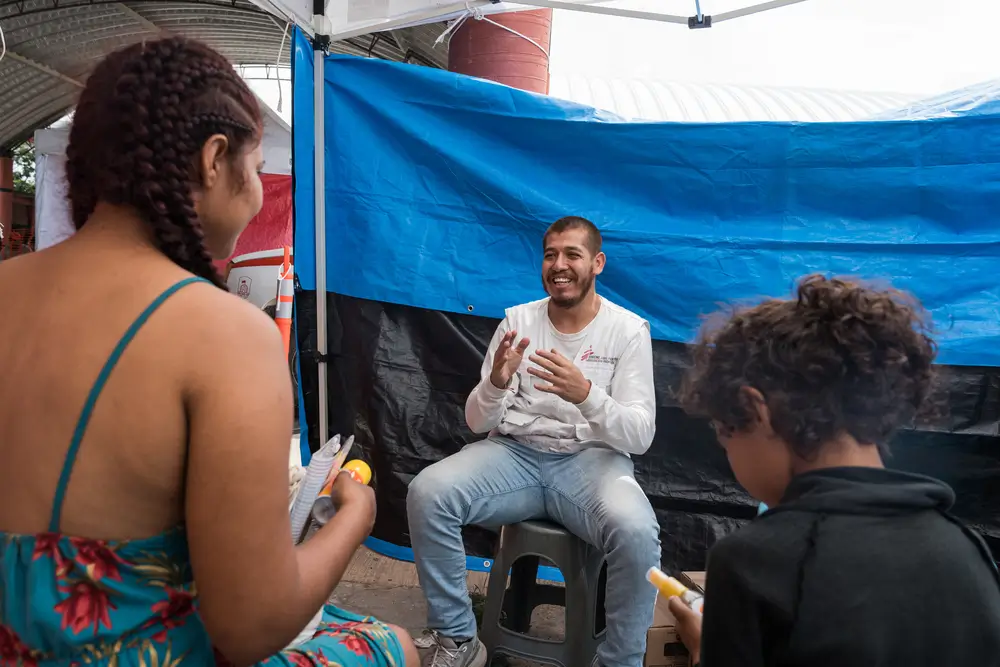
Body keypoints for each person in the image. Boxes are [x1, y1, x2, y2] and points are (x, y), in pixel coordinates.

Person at [0, 37, 418, 667]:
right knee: (391, 645)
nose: (255, 197)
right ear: (214, 159)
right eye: (255, 172)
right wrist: (353, 521)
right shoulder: (225, 334)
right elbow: (250, 628)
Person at [668, 274, 1000, 667]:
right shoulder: (966, 550)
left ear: (756, 411)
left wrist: (704, 650)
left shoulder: (751, 562)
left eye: (724, 432)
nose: (728, 453)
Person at [406, 216, 661, 667]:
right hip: (515, 457)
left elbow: (639, 436)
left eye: (572, 255)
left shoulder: (627, 331)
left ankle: (620, 661)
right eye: (550, 254)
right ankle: (458, 639)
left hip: (590, 463)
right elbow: (475, 420)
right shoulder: (517, 321)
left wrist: (587, 396)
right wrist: (497, 383)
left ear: (597, 263)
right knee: (428, 492)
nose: (559, 265)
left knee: (638, 531)